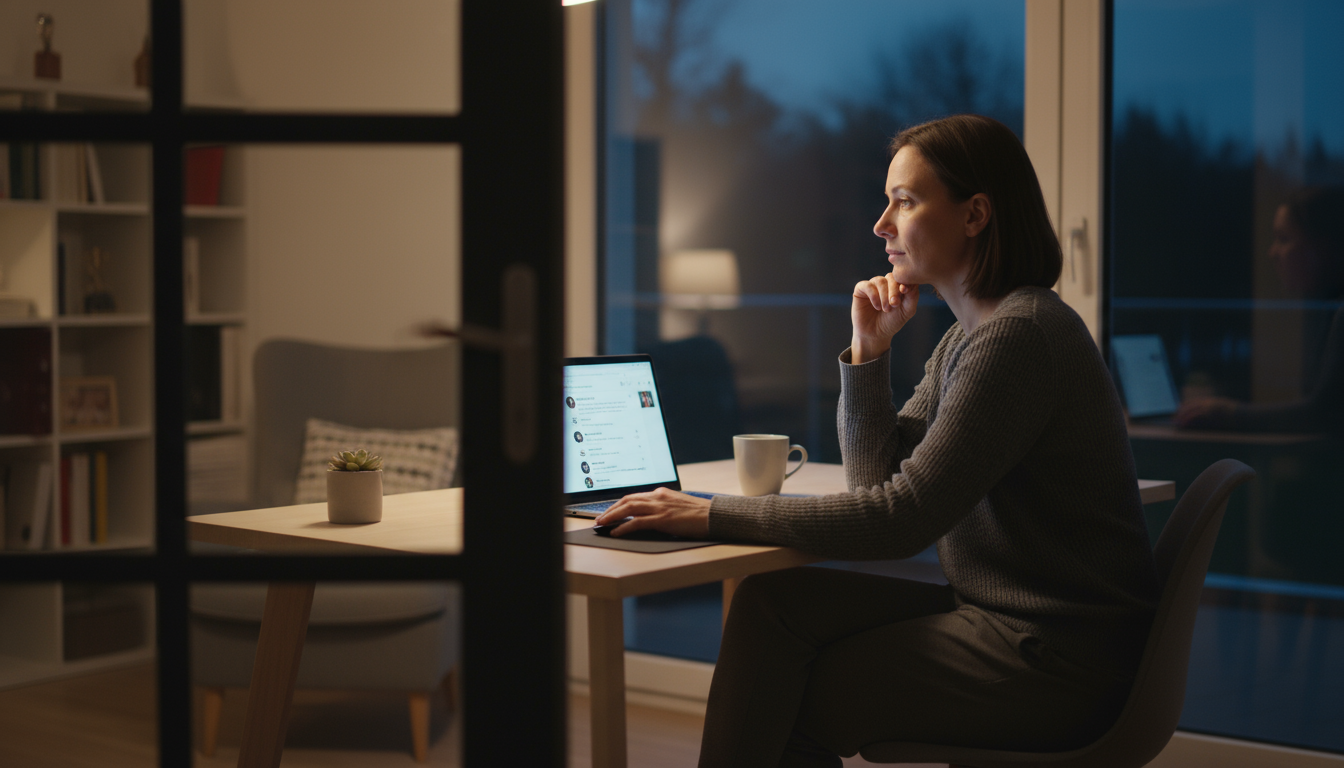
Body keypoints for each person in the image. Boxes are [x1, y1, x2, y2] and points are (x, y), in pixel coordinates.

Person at [596, 114, 1160, 767]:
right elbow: (876, 484)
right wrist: (868, 355)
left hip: (1055, 656)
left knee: (792, 697)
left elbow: (898, 522)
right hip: (1012, 622)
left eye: (905, 201)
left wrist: (709, 513)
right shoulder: (969, 337)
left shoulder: (1018, 337)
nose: (881, 224)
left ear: (975, 214)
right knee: (774, 604)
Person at [1175, 186, 1344, 435]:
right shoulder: (1329, 310)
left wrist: (1229, 412)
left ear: (1325, 246)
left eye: (1284, 239)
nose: (1272, 252)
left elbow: (1322, 416)